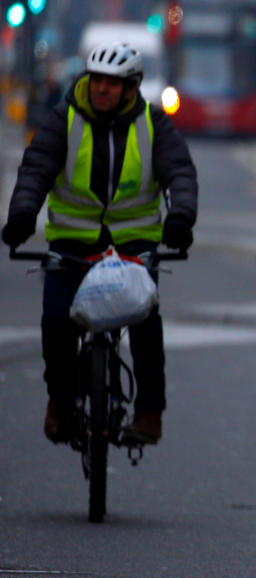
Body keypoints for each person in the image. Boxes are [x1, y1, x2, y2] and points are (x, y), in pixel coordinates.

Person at [1, 41, 198, 444]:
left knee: (145, 323)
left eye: (113, 83)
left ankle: (149, 413)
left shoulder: (154, 123)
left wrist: (180, 218)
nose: (102, 89)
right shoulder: (63, 120)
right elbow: (36, 169)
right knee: (57, 321)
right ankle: (60, 402)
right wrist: (22, 214)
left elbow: (179, 173)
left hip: (133, 245)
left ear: (131, 89)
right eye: (97, 81)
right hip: (73, 242)